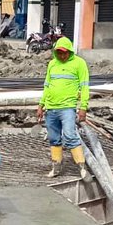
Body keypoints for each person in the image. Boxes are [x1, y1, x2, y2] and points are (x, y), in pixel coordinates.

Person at [36, 36, 90, 180]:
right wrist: (41, 105)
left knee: (70, 135)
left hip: (67, 108)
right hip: (51, 108)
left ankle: (82, 168)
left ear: (70, 51)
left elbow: (84, 87)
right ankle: (56, 167)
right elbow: (47, 86)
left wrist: (83, 107)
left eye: (65, 52)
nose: (62, 55)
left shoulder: (79, 64)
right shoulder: (52, 64)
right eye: (59, 53)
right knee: (54, 138)